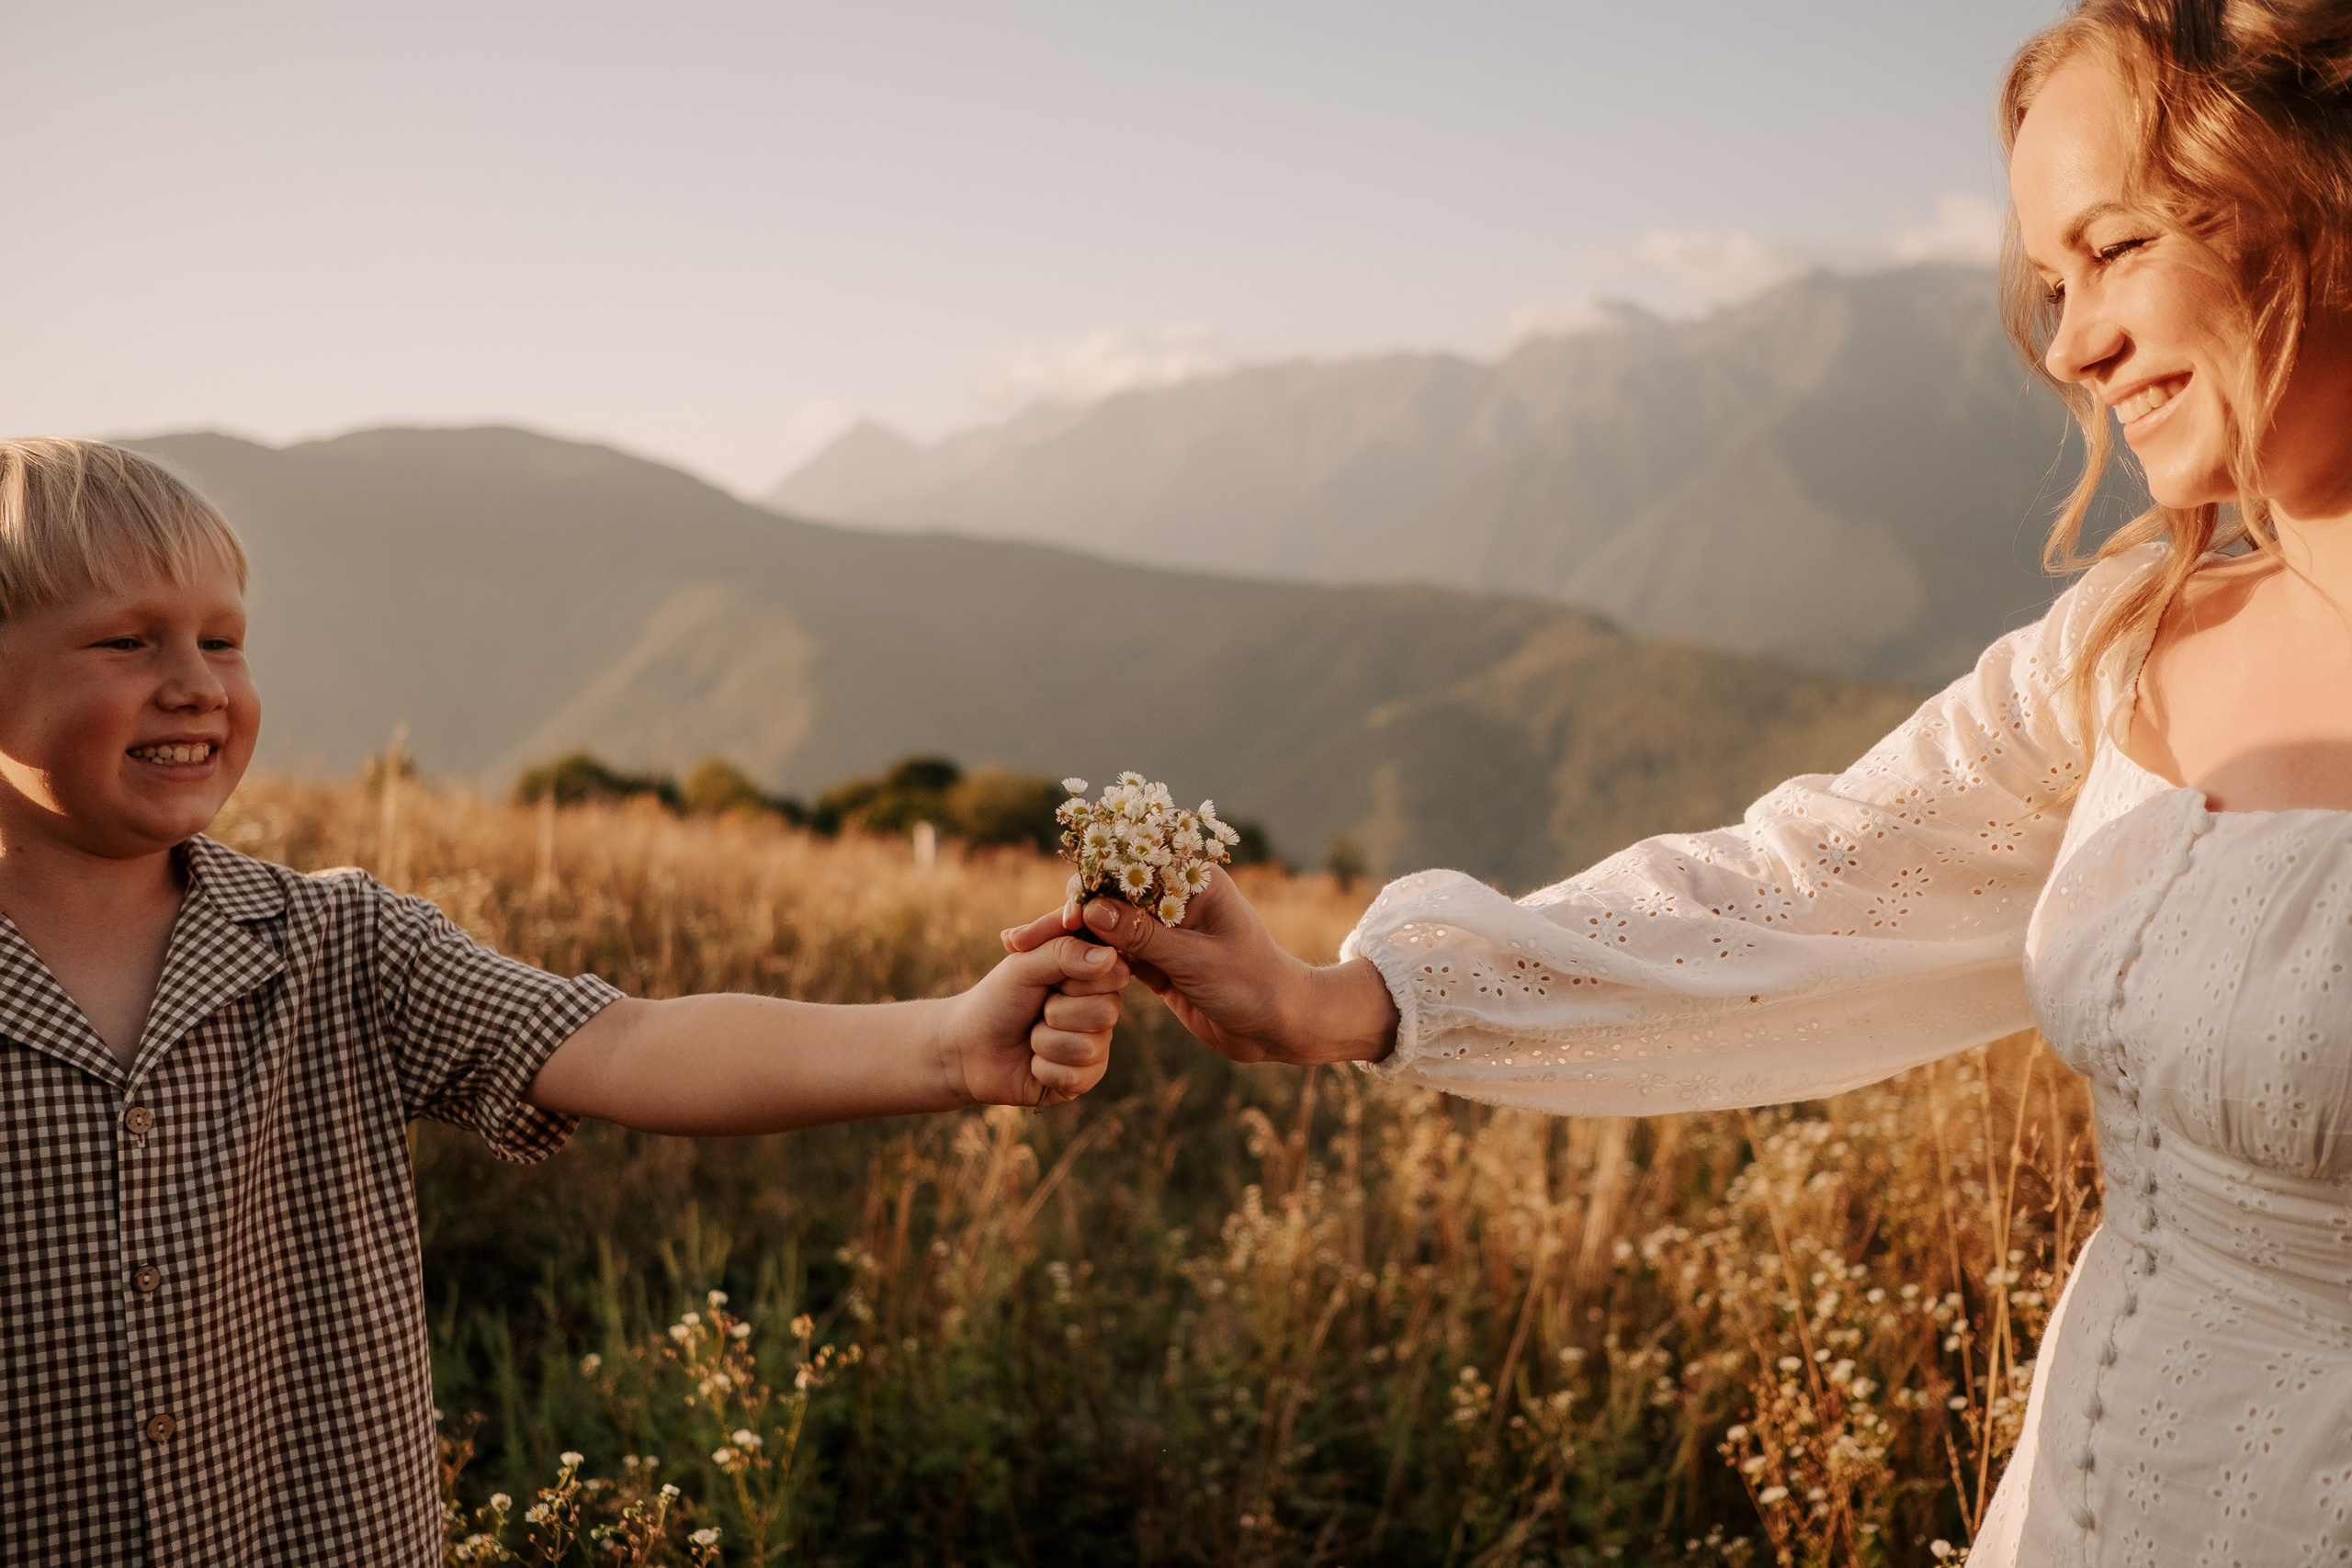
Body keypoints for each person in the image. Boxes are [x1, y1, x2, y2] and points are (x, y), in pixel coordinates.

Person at [1009, 3, 2352, 1561]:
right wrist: (1345, 1001)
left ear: (2317, 187)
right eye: (2051, 285)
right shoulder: (2121, 647)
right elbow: (1803, 881)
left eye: (2116, 248)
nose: (2069, 344)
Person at [0, 437, 1131, 1562]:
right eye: (126, 640)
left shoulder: (341, 947)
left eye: (224, 640)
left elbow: (630, 1042)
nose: (197, 681)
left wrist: (942, 1045)